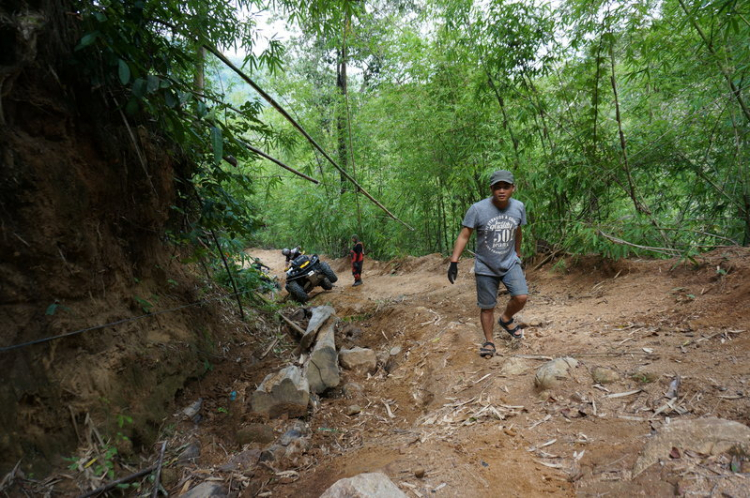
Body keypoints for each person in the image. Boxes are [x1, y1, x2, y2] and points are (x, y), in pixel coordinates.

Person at [447, 170, 528, 358]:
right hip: (485, 266)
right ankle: (489, 341)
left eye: (506, 187)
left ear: (513, 188)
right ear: (491, 189)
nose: (502, 191)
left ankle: (506, 318)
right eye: (497, 187)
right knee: (487, 306)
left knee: (521, 297)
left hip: (509, 262)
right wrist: (454, 261)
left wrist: (518, 252)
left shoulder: (518, 207)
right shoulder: (477, 209)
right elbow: (464, 235)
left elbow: (518, 231)